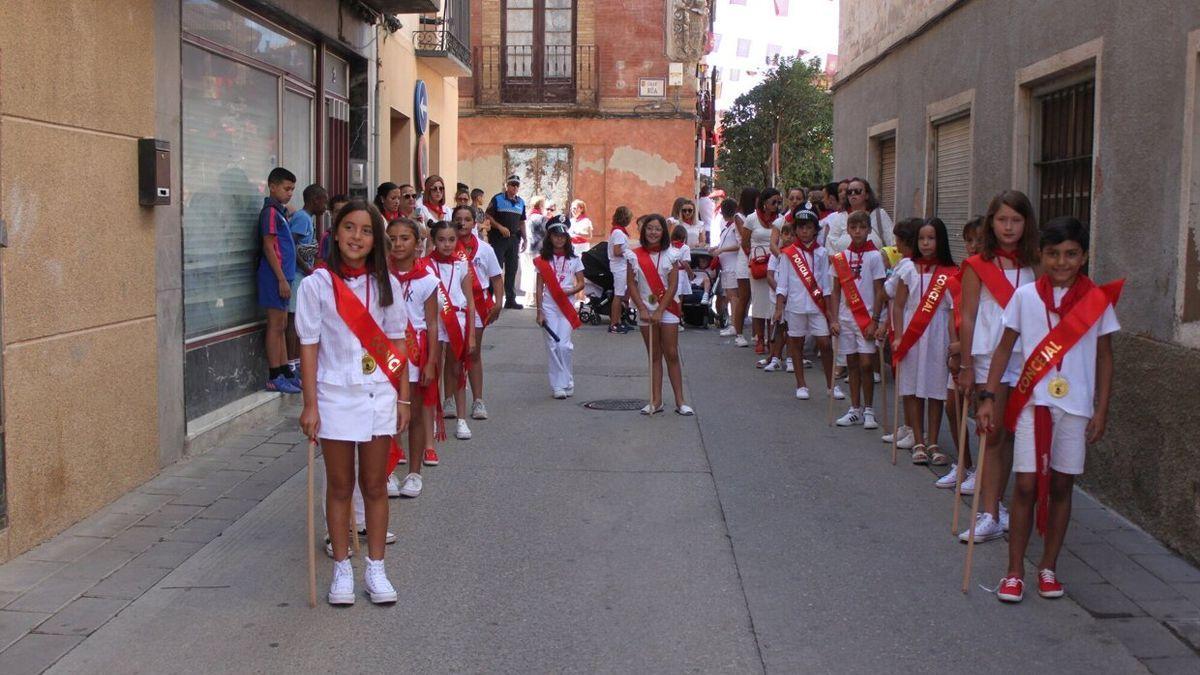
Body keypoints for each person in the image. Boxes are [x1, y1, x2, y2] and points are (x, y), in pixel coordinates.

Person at [976, 216, 1120, 603]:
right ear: (1040, 255)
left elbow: (1105, 358)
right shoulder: (1025, 298)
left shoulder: (1096, 301)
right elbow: (1004, 347)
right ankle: (1013, 570)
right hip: (1032, 402)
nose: (1062, 262)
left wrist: (1101, 409)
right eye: (1053, 254)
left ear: (1084, 256)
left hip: (1074, 406)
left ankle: (1049, 566)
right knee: (1025, 485)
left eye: (1071, 254)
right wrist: (988, 397)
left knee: (1061, 485)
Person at [296, 199, 410, 606]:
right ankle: (342, 569)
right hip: (334, 395)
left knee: (375, 485)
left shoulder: (388, 284)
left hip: (379, 393)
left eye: (365, 230)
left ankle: (376, 569)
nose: (356, 237)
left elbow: (398, 341)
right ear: (336, 233)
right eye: (349, 228)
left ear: (374, 239)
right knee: (341, 486)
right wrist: (310, 404)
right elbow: (308, 346)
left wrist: (404, 397)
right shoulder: (317, 285)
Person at [956, 190, 1040, 544]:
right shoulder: (978, 265)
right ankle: (988, 512)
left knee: (1013, 434)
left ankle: (1002, 503)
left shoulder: (1035, 263)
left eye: (1016, 220)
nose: (1009, 227)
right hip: (991, 355)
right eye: (1002, 219)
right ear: (991, 222)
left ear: (1027, 223)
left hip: (1029, 357)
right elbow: (969, 315)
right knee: (992, 434)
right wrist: (965, 365)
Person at [891, 218, 956, 465]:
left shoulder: (950, 273)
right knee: (912, 386)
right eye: (922, 239)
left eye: (931, 238)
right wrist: (898, 336)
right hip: (912, 333)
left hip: (938, 333)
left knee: (935, 388)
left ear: (941, 241)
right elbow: (898, 305)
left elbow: (953, 310)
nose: (926, 243)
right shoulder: (908, 268)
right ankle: (918, 439)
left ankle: (934, 440)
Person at [386, 217, 442, 498]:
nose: (398, 244)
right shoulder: (380, 276)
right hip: (386, 353)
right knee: (387, 413)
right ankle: (388, 470)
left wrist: (431, 361)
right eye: (392, 239)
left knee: (417, 413)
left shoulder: (428, 280)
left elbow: (432, 324)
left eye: (404, 238)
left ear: (417, 244)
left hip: (416, 354)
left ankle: (414, 472)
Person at [936, 217, 985, 492]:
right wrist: (955, 347)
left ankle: (982, 471)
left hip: (981, 353)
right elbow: (953, 315)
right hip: (960, 353)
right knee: (952, 406)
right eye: (968, 240)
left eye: (979, 240)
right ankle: (964, 463)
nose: (973, 246)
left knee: (980, 413)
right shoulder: (957, 277)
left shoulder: (993, 278)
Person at [627, 214, 693, 416]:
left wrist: (660, 310)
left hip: (667, 309)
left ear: (664, 232)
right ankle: (655, 400)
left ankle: (680, 401)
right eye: (649, 228)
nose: (653, 232)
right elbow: (631, 284)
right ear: (643, 231)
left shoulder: (672, 254)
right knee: (653, 355)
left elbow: (673, 285)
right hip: (645, 310)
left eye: (657, 229)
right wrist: (643, 309)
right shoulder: (634, 255)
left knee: (671, 354)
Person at [829, 210, 886, 429]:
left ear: (869, 230)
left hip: (867, 319)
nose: (858, 232)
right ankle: (855, 409)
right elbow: (835, 291)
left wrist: (875, 319)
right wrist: (833, 318)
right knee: (851, 363)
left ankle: (869, 409)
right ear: (848, 230)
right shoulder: (841, 258)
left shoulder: (875, 256)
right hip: (845, 317)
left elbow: (879, 290)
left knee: (866, 363)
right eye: (853, 228)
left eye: (862, 227)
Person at [774, 207, 838, 401]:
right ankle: (801, 384)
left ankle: (831, 385)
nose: (804, 232)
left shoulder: (822, 252)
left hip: (817, 305)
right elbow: (782, 283)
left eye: (808, 228)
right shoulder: (788, 253)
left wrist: (830, 313)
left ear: (815, 230)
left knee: (825, 344)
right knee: (796, 343)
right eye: (801, 228)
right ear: (796, 230)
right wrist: (779, 307)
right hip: (795, 305)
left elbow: (827, 286)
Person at [427, 221, 478, 442]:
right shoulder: (426, 265)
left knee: (458, 369)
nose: (447, 244)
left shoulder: (461, 264)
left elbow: (470, 299)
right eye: (441, 240)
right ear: (433, 241)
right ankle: (433, 416)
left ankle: (461, 419)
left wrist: (472, 334)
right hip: (435, 320)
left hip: (457, 319)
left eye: (451, 240)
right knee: (433, 369)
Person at [451, 205, 503, 421]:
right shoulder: (447, 246)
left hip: (479, 303)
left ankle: (478, 400)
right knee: (452, 354)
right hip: (452, 304)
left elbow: (496, 278)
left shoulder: (485, 249)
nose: (462, 223)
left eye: (467, 219)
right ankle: (449, 399)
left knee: (473, 352)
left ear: (474, 223)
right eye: (458, 219)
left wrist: (499, 302)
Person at [257, 167, 301, 394]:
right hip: (274, 278)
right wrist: (281, 279)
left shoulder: (279, 211)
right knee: (275, 326)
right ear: (272, 187)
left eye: (292, 189)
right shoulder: (270, 214)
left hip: (285, 277)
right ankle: (275, 375)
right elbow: (269, 246)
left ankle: (286, 371)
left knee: (283, 325)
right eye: (286, 188)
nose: (290, 193)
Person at [534, 217, 585, 398]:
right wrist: (539, 311)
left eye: (563, 236)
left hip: (566, 306)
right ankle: (558, 385)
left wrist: (572, 291)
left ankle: (567, 379)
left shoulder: (574, 259)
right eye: (556, 236)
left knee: (564, 345)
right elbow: (539, 287)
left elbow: (581, 282)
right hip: (549, 306)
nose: (559, 239)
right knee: (552, 345)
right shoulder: (543, 260)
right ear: (550, 237)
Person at [287, 184, 327, 371]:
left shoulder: (307, 219)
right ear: (315, 200)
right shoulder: (302, 218)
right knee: (294, 319)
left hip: (302, 275)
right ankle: (292, 362)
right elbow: (290, 245)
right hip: (296, 276)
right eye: (324, 201)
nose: (325, 206)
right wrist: (307, 268)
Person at [745, 189, 783, 354]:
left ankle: (770, 339)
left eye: (778, 202)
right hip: (758, 264)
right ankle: (760, 338)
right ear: (765, 202)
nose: (776, 205)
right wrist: (753, 259)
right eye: (773, 202)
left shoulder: (781, 220)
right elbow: (745, 243)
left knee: (771, 303)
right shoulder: (752, 219)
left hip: (774, 264)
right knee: (759, 303)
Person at [485, 175, 527, 308]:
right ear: (506, 185)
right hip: (498, 238)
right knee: (495, 268)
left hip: (514, 239)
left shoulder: (521, 202)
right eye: (512, 184)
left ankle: (510, 300)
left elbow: (522, 222)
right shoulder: (497, 198)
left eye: (517, 185)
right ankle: (489, 299)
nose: (514, 187)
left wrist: (525, 238)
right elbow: (488, 215)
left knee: (512, 269)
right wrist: (499, 227)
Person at [827, 177, 895, 253]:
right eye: (849, 192)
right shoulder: (839, 218)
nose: (853, 194)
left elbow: (892, 243)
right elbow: (830, 246)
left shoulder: (879, 215)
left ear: (867, 195)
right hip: (844, 264)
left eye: (857, 191)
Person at [713, 199, 743, 338]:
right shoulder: (727, 227)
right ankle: (734, 324)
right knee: (731, 296)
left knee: (733, 297)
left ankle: (735, 325)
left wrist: (721, 250)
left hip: (732, 266)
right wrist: (717, 248)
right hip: (727, 267)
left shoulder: (735, 224)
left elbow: (739, 244)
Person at [608, 206, 634, 334]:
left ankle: (619, 320)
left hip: (622, 267)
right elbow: (617, 251)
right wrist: (628, 253)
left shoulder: (619, 231)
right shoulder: (618, 232)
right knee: (618, 295)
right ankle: (614, 323)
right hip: (619, 267)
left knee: (622, 294)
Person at [523, 196, 548, 307]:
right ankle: (533, 298)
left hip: (526, 248)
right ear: (541, 206)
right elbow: (547, 233)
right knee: (535, 273)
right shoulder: (541, 218)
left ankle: (528, 297)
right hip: (537, 249)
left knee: (527, 273)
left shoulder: (527, 216)